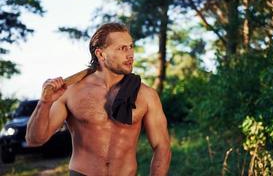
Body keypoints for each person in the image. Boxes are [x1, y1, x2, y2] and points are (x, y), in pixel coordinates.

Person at [26, 22, 171, 176]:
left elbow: (162, 146)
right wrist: (45, 103)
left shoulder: (146, 95)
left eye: (131, 46)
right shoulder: (71, 92)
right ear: (101, 54)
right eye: (122, 48)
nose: (130, 54)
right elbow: (34, 139)